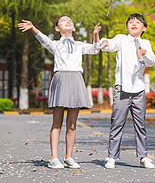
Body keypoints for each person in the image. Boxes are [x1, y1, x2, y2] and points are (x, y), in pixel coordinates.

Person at [18, 15, 102, 169]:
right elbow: (44, 40)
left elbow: (95, 49)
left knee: (72, 124)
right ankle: (53, 157)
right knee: (57, 123)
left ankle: (69, 157)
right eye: (63, 20)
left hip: (76, 79)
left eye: (70, 20)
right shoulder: (55, 45)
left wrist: (96, 35)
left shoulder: (79, 45)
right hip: (61, 79)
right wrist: (33, 28)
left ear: (74, 28)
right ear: (58, 28)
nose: (68, 21)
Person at [97, 13, 155, 169]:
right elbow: (109, 44)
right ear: (126, 27)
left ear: (144, 28)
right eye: (131, 22)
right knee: (117, 123)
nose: (134, 24)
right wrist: (99, 39)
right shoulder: (121, 39)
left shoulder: (146, 43)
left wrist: (144, 53)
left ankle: (143, 157)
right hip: (122, 88)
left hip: (138, 89)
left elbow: (152, 61)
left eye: (138, 22)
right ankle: (111, 157)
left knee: (140, 124)